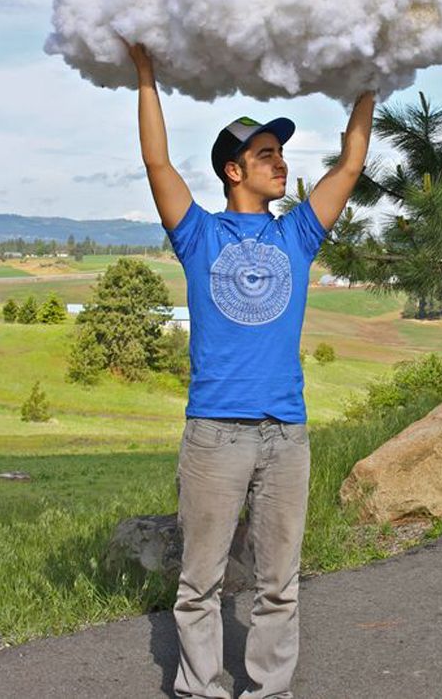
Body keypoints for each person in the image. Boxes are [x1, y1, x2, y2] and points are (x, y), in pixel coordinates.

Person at [126, 41, 375, 699]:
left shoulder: (296, 234)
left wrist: (371, 83)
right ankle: (201, 690)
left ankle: (270, 692)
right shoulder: (199, 235)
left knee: (278, 584)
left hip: (285, 434)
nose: (280, 163)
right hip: (215, 435)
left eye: (279, 152)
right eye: (265, 154)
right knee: (199, 584)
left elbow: (350, 165)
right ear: (233, 170)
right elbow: (156, 160)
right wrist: (147, 75)